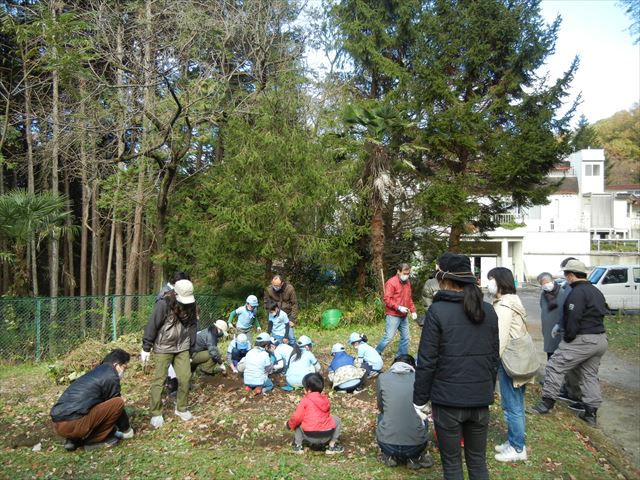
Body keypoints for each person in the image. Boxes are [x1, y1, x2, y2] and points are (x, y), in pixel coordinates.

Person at [413, 252, 499, 480]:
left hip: (449, 403)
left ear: (445, 278)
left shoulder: (437, 311)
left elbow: (427, 360)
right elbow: (494, 359)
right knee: (478, 462)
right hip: (480, 401)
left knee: (452, 465)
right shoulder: (488, 311)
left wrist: (419, 398)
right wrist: (487, 390)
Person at [532, 258, 608, 426]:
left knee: (554, 365)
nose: (566, 279)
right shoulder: (596, 291)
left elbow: (574, 317)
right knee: (588, 374)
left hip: (583, 338)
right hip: (600, 338)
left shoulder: (577, 292)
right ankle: (590, 413)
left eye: (567, 276)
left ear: (572, 275)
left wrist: (567, 338)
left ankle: (546, 403)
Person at [488, 267, 534, 462]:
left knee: (512, 406)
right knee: (517, 404)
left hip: (510, 361)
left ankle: (517, 448)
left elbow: (500, 339)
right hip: (520, 359)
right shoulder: (513, 300)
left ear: (499, 282)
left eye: (491, 279)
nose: (489, 283)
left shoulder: (504, 306)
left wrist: (490, 363)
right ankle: (514, 441)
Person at [141, 279, 198, 428]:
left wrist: (191, 348)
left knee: (185, 378)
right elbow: (152, 324)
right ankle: (156, 413)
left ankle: (181, 408)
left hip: (182, 346)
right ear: (175, 293)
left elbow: (192, 326)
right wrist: (146, 347)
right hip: (163, 347)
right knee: (159, 380)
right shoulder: (163, 304)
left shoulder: (192, 305)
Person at [50, 349, 133, 451]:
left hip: (59, 424)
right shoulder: (111, 376)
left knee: (95, 405)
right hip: (74, 423)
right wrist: (126, 429)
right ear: (116, 365)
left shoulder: (96, 373)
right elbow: (115, 406)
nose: (124, 371)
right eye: (124, 367)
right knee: (118, 402)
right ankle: (94, 440)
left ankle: (73, 440)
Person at [376, 354, 433, 470]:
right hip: (416, 446)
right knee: (423, 416)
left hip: (387, 445)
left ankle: (390, 456)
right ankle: (414, 457)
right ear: (413, 366)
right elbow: (426, 407)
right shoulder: (420, 378)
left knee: (382, 416)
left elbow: (381, 407)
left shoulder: (382, 378)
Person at [538, 272, 583, 407]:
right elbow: (542, 309)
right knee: (550, 356)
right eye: (542, 283)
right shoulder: (543, 295)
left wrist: (560, 326)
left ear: (552, 280)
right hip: (548, 331)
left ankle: (565, 388)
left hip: (560, 331)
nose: (546, 285)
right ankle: (555, 383)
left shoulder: (564, 292)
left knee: (562, 360)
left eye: (547, 281)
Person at [286, 372, 344, 455]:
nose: (303, 389)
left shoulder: (305, 400)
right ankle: (332, 445)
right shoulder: (325, 399)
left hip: (310, 436)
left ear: (308, 390)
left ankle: (298, 446)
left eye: (304, 387)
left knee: (298, 422)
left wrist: (289, 424)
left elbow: (297, 418)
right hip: (326, 435)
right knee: (337, 420)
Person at [376, 263, 417, 357]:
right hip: (393, 315)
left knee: (406, 338)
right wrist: (398, 307)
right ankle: (376, 352)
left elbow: (409, 298)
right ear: (398, 271)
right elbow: (387, 299)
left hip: (404, 315)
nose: (406, 275)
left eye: (408, 273)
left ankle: (402, 356)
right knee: (388, 337)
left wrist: (413, 310)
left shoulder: (407, 282)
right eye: (404, 273)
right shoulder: (391, 282)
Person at [265, 274, 298, 343]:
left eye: (277, 286)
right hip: (275, 316)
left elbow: (294, 304)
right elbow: (266, 303)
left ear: (282, 283)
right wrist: (270, 314)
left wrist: (292, 319)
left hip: (288, 316)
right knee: (276, 338)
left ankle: (294, 351)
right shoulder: (269, 290)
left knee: (291, 337)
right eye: (273, 285)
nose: (275, 287)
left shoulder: (289, 289)